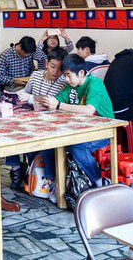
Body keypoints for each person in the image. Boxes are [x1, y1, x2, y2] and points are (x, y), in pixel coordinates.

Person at [37, 53, 115, 187]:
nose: (66, 79)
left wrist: (58, 105)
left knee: (76, 146)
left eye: (69, 75)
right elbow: (56, 100)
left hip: (103, 131)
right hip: (82, 130)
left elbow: (89, 110)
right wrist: (45, 101)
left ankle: (98, 180)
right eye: (65, 76)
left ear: (81, 72)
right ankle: (53, 181)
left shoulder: (95, 83)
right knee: (48, 141)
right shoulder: (71, 86)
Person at [7, 47, 68, 192]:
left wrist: (33, 99)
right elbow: (24, 93)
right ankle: (16, 169)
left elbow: (51, 103)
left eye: (60, 69)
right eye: (53, 67)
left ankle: (35, 173)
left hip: (49, 123)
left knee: (34, 139)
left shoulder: (63, 82)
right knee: (9, 131)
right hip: (30, 119)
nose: (56, 72)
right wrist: (17, 96)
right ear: (46, 63)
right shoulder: (35, 76)